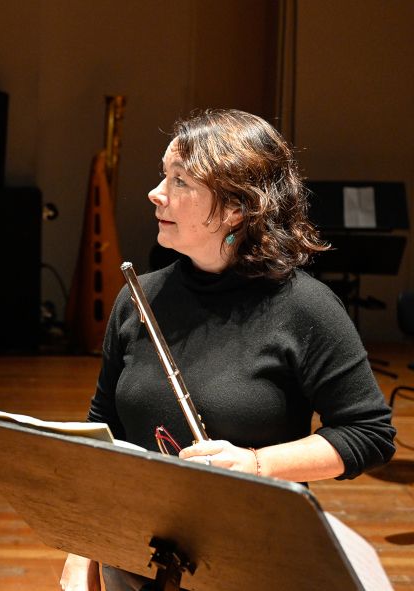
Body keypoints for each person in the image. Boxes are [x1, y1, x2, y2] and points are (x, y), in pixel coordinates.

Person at [60, 109, 396, 591]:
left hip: (249, 563)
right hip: (132, 559)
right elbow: (106, 432)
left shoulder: (304, 308)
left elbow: (369, 434)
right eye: (162, 175)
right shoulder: (139, 297)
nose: (156, 193)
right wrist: (81, 547)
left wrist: (257, 465)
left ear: (237, 207)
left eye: (179, 180)